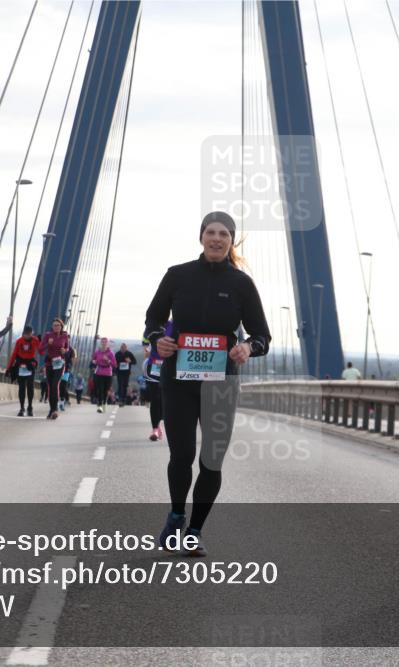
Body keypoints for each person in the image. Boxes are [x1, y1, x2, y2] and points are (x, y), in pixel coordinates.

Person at [145, 211, 271, 557]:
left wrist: (248, 347)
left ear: (231, 241)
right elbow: (153, 319)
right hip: (179, 379)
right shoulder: (178, 275)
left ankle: (194, 531)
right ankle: (175, 516)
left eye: (224, 234)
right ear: (201, 236)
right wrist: (159, 339)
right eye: (211, 232)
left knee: (212, 460)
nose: (217, 239)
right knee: (182, 454)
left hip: (221, 382)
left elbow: (262, 336)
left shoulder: (241, 283)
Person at [142, 323, 173, 441]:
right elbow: (146, 343)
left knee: (165, 398)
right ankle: (155, 428)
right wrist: (148, 349)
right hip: (154, 367)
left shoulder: (177, 324)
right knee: (155, 397)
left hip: (171, 368)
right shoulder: (154, 324)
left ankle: (161, 424)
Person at [39, 318, 70, 420]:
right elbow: (40, 350)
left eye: (58, 325)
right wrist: (49, 344)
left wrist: (64, 350)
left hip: (60, 364)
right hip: (49, 364)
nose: (56, 327)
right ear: (52, 327)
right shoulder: (48, 335)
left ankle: (55, 409)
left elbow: (67, 348)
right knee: (50, 387)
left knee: (55, 384)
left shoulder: (65, 336)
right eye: (54, 325)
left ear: (61, 326)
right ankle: (51, 410)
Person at [8, 325, 40, 417]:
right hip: (21, 365)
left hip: (30, 365)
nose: (27, 336)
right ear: (23, 334)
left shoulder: (35, 340)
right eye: (25, 334)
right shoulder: (19, 341)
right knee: (21, 388)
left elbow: (41, 352)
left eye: (29, 334)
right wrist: (9, 368)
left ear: (31, 333)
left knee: (30, 387)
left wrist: (40, 342)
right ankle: (22, 408)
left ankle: (30, 407)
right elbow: (14, 354)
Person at [92, 338, 117, 413]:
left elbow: (114, 364)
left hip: (108, 373)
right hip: (99, 372)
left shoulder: (110, 353)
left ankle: (104, 404)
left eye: (105, 342)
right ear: (100, 343)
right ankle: (100, 405)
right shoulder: (97, 352)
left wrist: (108, 360)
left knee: (106, 390)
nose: (103, 344)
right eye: (102, 342)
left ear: (107, 344)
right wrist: (94, 361)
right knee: (100, 389)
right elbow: (93, 359)